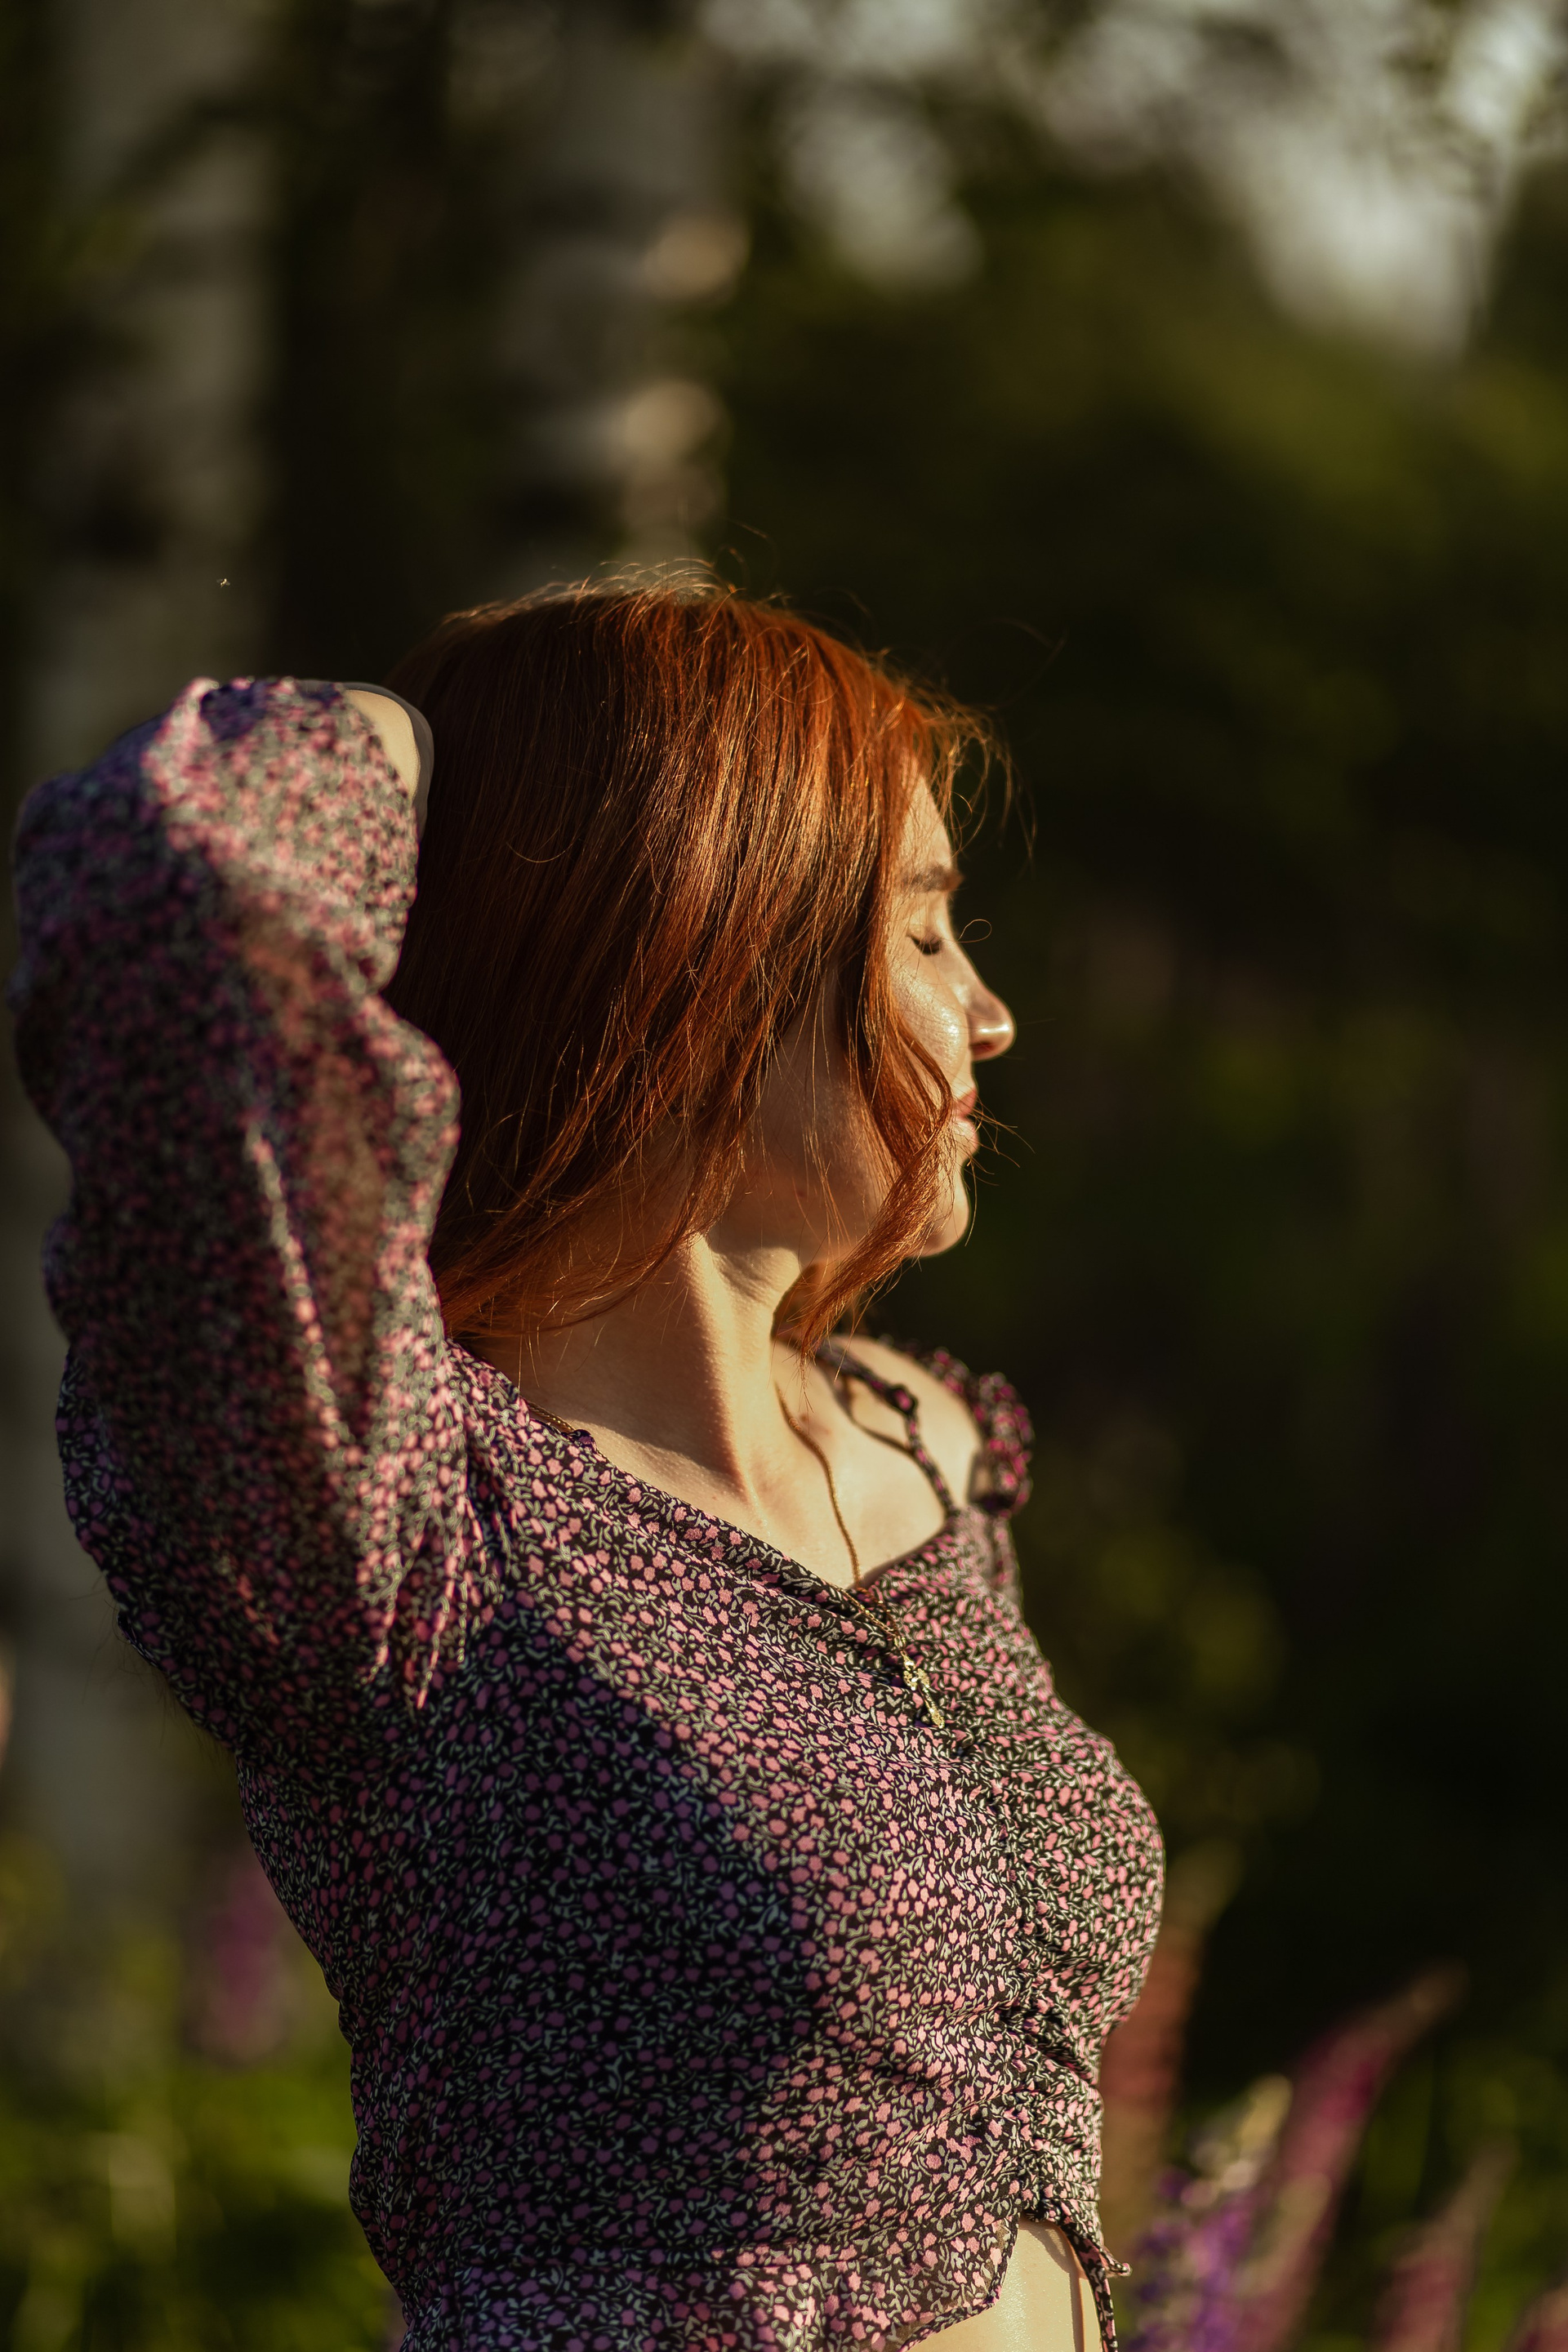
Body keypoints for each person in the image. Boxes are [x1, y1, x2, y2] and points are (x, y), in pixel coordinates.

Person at [10, 584, 1163, 2352]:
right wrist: (426, 747)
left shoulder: (920, 1447)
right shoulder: (401, 1519)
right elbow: (170, 905)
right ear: (707, 940)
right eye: (927, 932)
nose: (988, 1012)